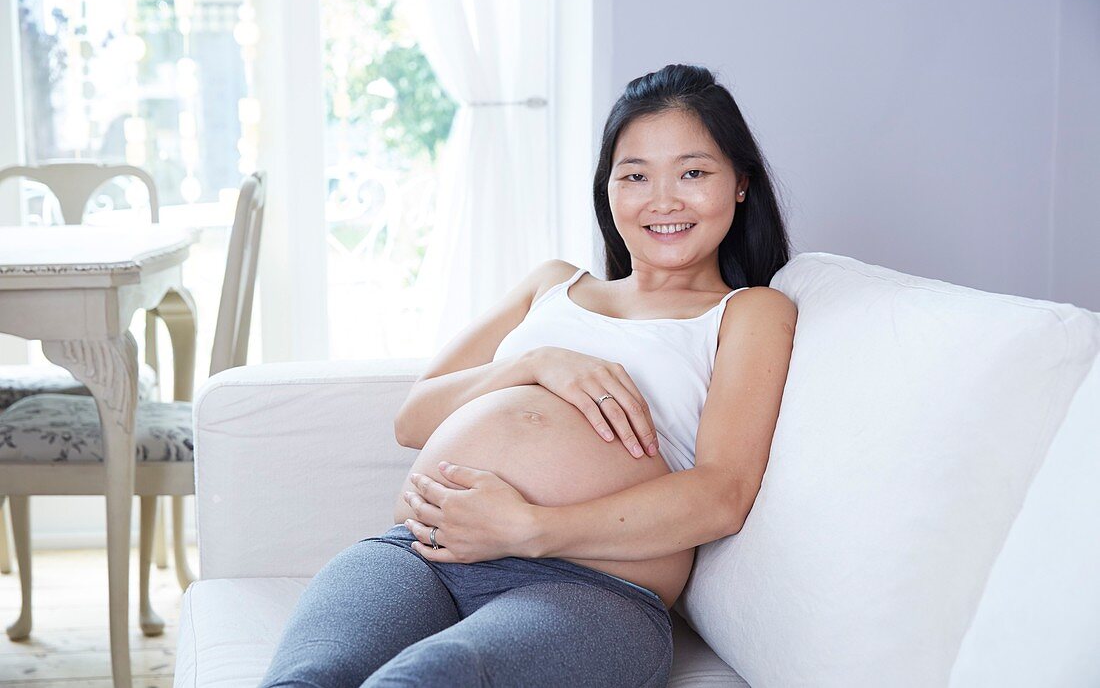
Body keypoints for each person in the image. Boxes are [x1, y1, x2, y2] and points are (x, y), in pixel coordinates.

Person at [260, 63, 796, 687]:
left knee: (425, 679)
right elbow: (413, 418)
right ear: (608, 190)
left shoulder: (747, 312)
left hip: (591, 587)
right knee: (306, 679)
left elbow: (721, 495)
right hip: (424, 553)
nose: (663, 200)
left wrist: (529, 528)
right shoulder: (553, 283)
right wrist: (537, 364)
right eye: (635, 176)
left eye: (694, 172)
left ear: (740, 184)